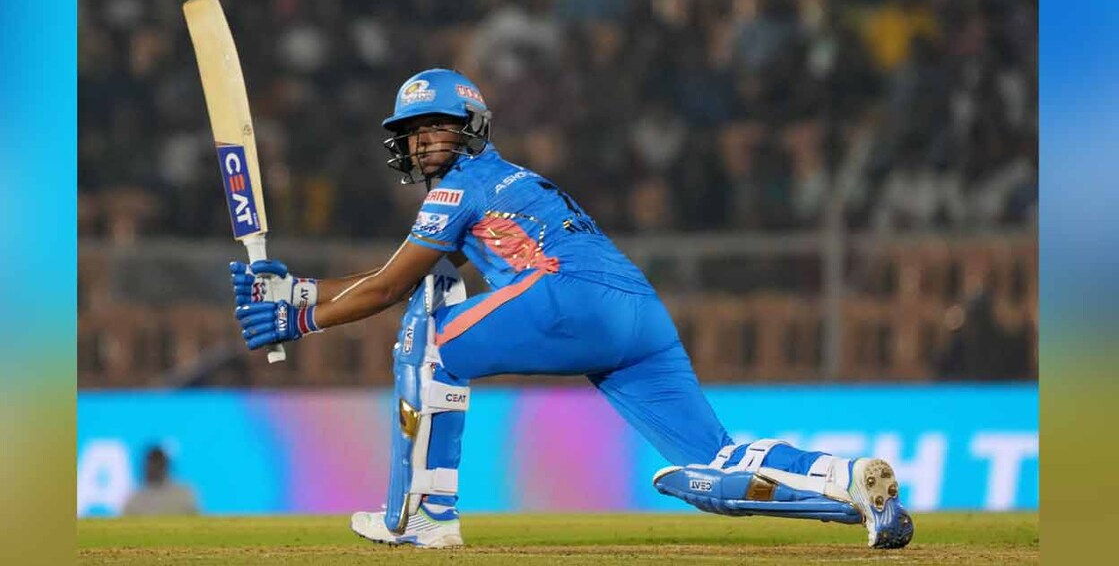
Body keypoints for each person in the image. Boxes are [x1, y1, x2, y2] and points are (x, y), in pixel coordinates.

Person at [230, 69, 913, 549]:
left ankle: (421, 517)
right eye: (414, 131)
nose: (423, 141)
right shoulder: (509, 180)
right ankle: (848, 483)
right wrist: (299, 289)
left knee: (430, 338)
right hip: (636, 313)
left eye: (437, 127)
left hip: (567, 298)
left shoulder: (458, 189)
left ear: (469, 130)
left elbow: (386, 290)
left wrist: (302, 319)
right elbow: (400, 274)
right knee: (711, 467)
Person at [121, 445, 198, 516]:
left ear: (165, 466)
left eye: (158, 465)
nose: (154, 469)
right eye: (151, 465)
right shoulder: (135, 500)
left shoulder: (183, 494)